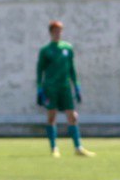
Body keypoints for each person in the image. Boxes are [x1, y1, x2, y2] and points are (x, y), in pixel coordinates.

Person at [36, 21, 94, 158]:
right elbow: (40, 70)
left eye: (60, 31)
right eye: (55, 31)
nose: (58, 33)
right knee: (52, 116)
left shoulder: (67, 48)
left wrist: (77, 85)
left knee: (72, 116)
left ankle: (78, 147)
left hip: (65, 87)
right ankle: (54, 148)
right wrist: (39, 88)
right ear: (51, 32)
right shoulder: (45, 50)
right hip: (51, 87)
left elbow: (72, 68)